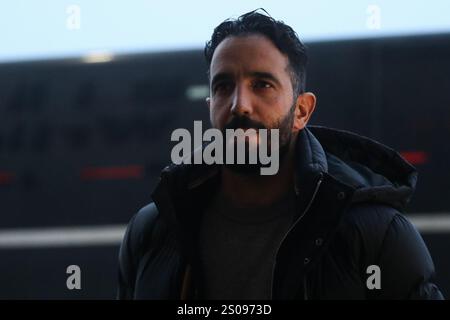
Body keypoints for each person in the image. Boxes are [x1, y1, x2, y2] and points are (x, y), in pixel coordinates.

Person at [117, 9, 444, 300]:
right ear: (210, 107)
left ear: (302, 110)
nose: (239, 104)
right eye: (223, 86)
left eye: (262, 84)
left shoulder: (376, 235)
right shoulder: (153, 230)